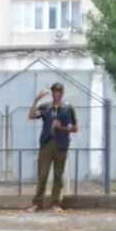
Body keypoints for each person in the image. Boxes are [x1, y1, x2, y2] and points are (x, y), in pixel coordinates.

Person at [29, 83, 78, 211]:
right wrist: (36, 100)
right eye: (54, 91)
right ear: (52, 93)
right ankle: (37, 203)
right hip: (46, 143)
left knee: (58, 175)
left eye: (58, 91)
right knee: (43, 174)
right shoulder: (46, 108)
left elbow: (75, 127)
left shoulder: (68, 108)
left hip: (61, 144)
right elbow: (31, 116)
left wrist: (62, 127)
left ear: (62, 93)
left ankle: (55, 203)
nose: (56, 94)